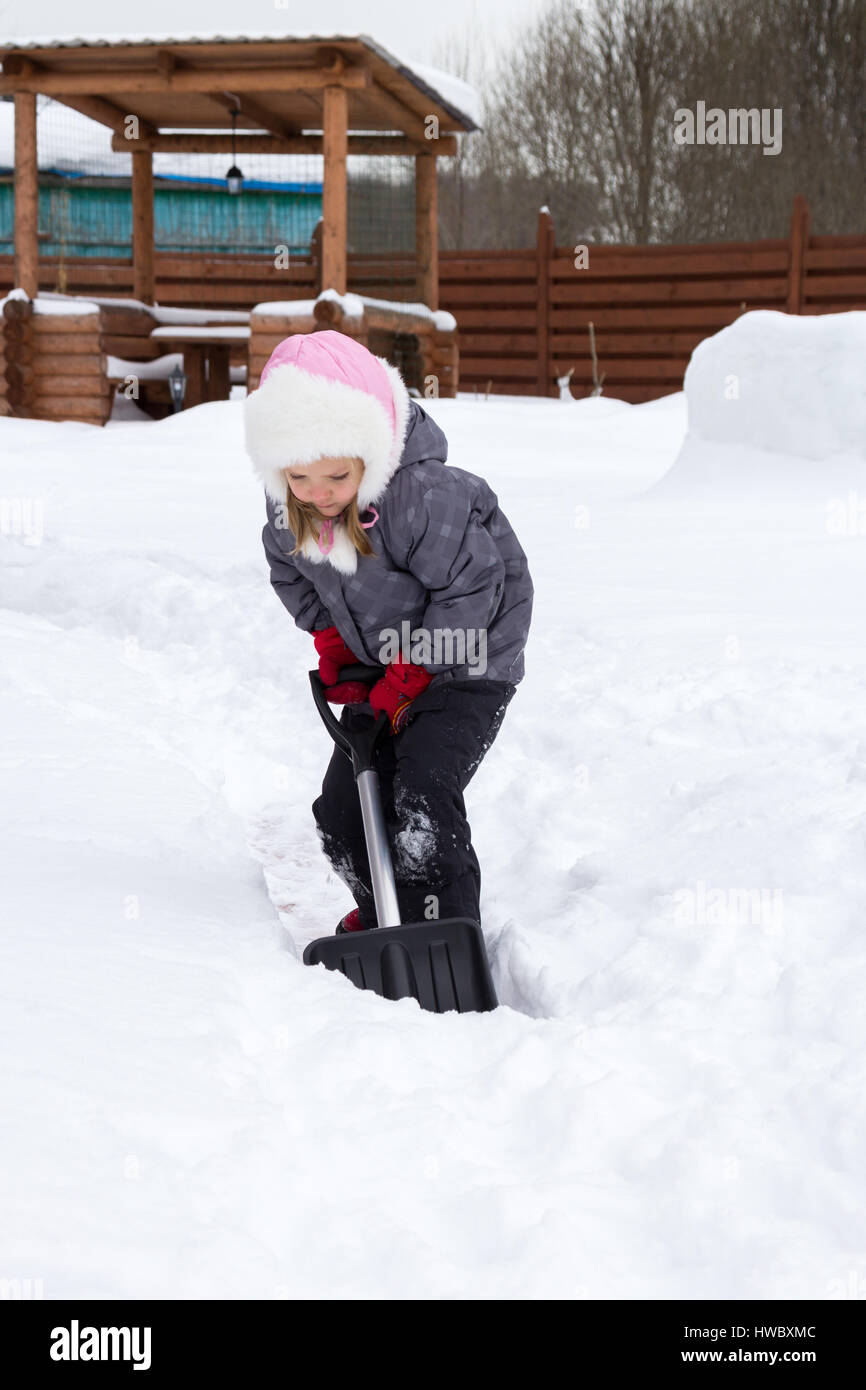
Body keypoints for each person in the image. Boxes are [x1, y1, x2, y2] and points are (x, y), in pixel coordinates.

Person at [244, 329, 533, 934]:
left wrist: (416, 669)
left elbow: (472, 589)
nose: (318, 496)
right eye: (299, 479)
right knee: (345, 812)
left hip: (468, 662)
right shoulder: (290, 513)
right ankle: (384, 917)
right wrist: (332, 642)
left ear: (372, 455)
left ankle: (443, 928)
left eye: (336, 477)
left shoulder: (425, 498)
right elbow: (289, 575)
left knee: (422, 793)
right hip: (385, 670)